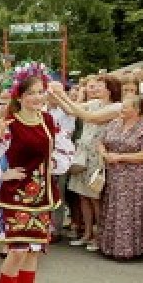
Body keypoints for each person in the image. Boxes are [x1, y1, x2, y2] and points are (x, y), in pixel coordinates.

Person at [0, 64, 75, 283]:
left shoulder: (48, 121)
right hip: (17, 196)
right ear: (19, 96)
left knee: (33, 252)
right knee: (18, 250)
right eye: (32, 92)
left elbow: (62, 152)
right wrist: (1, 175)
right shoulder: (9, 124)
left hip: (42, 195)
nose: (38, 97)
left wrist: (52, 167)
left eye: (41, 92)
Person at [51, 74, 124, 251]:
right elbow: (71, 110)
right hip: (84, 153)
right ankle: (87, 233)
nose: (96, 88)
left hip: (98, 155)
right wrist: (57, 95)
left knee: (95, 197)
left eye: (100, 85)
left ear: (110, 88)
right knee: (83, 195)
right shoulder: (95, 103)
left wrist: (63, 95)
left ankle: (100, 236)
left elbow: (89, 117)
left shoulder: (116, 107)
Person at [97, 95, 143, 260]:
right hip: (114, 174)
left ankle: (128, 249)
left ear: (136, 110)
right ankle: (109, 246)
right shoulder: (114, 124)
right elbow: (101, 141)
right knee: (112, 208)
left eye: (125, 107)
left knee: (129, 211)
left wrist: (120, 157)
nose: (122, 109)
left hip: (135, 177)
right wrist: (104, 153)